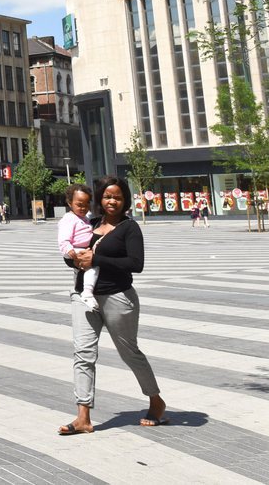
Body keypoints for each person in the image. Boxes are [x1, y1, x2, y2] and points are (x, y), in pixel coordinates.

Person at [59, 176, 168, 436]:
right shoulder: (90, 223)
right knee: (83, 354)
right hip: (84, 297)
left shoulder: (129, 228)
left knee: (129, 352)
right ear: (99, 199)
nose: (112, 201)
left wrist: (98, 258)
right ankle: (83, 416)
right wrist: (76, 260)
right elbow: (74, 255)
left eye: (117, 197)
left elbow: (135, 264)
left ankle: (156, 400)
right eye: (107, 196)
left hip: (118, 297)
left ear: (125, 200)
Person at [58, 185, 99, 314]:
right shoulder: (69, 219)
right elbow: (63, 237)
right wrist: (68, 249)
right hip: (73, 249)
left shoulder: (83, 218)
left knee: (79, 270)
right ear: (70, 203)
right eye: (79, 204)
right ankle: (87, 292)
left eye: (87, 204)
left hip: (80, 248)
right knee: (93, 266)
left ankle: (77, 287)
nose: (83, 208)